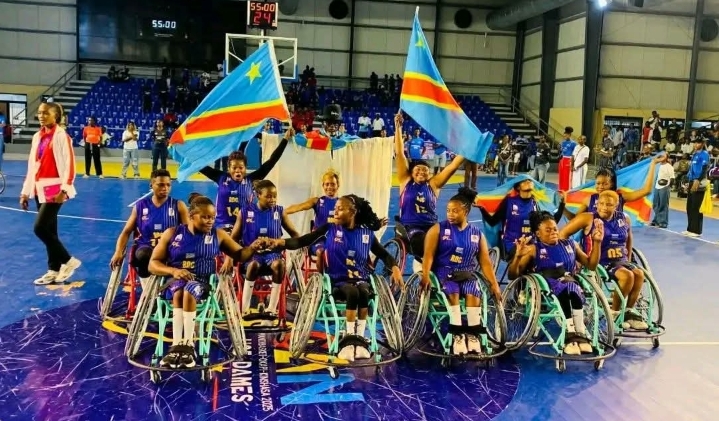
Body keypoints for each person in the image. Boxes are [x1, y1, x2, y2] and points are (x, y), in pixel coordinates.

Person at [268, 194, 404, 362]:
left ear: (352, 212)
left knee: (363, 291)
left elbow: (384, 254)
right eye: (335, 209)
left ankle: (360, 338)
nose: (335, 212)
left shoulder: (366, 234)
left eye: (340, 209)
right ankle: (348, 338)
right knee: (353, 292)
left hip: (361, 279)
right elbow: (302, 241)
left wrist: (395, 268)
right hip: (337, 281)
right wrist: (280, 243)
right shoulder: (329, 229)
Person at [148, 195, 268, 368]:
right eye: (205, 217)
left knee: (189, 289)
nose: (210, 221)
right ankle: (176, 346)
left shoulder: (218, 235)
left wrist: (252, 248)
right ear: (191, 216)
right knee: (179, 292)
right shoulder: (172, 233)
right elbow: (153, 264)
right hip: (175, 280)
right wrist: (173, 271)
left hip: (201, 282)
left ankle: (188, 345)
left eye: (212, 217)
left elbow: (240, 255)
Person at [509, 211, 604, 355]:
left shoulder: (571, 245)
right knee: (566, 290)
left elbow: (591, 265)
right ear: (538, 234)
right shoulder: (534, 249)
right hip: (548, 285)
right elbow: (513, 275)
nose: (553, 232)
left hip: (569, 282)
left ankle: (579, 332)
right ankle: (570, 334)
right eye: (548, 230)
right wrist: (517, 257)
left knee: (572, 289)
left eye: (555, 229)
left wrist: (597, 242)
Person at [421, 188, 502, 356]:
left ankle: (473, 335)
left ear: (466, 212)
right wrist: (426, 275)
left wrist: (494, 284)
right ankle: (457, 335)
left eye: (455, 211)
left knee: (474, 291)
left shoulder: (477, 234)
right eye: (448, 210)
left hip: (466, 274)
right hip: (444, 273)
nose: (450, 214)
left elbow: (485, 262)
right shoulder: (437, 229)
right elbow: (428, 256)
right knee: (453, 291)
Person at [559, 190, 648, 330]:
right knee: (627, 276)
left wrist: (629, 257)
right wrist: (573, 254)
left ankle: (628, 312)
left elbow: (629, 238)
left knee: (639, 274)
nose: (604, 207)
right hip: (600, 261)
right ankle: (614, 312)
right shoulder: (588, 218)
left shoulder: (624, 218)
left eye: (609, 205)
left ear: (616, 206)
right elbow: (563, 233)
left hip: (620, 259)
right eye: (601, 203)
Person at [394, 113, 465, 271]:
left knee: (453, 244)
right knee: (424, 243)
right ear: (411, 173)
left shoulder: (433, 185)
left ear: (430, 173)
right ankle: (421, 268)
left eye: (425, 170)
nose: (421, 172)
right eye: (418, 169)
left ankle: (445, 273)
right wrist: (398, 127)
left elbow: (452, 166)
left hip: (431, 226)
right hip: (412, 227)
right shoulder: (405, 181)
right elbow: (399, 153)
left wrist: (466, 150)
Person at [20, 102, 82, 285]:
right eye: (40, 113)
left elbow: (70, 165)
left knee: (39, 228)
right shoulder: (37, 136)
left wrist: (65, 189)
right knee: (50, 231)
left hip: (55, 190)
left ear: (56, 116)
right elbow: (32, 166)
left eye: (46, 113)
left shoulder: (62, 136)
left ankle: (69, 261)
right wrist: (25, 192)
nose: (41, 116)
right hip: (40, 188)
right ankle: (53, 270)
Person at [199, 128, 293, 232]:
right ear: (229, 168)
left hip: (244, 229)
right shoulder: (221, 177)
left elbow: (272, 161)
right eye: (234, 168)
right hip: (222, 228)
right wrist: (185, 149)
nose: (237, 171)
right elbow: (198, 165)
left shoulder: (251, 180)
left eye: (241, 168)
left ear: (245, 168)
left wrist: (285, 139)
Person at [109, 170, 189, 287]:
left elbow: (189, 232)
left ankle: (170, 285)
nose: (165, 188)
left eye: (168, 185)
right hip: (147, 248)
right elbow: (126, 232)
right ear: (151, 185)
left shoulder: (178, 205)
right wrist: (118, 252)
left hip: (170, 249)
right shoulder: (140, 206)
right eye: (161, 185)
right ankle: (147, 288)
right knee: (144, 254)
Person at [231, 180, 300, 315]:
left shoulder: (279, 211)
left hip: (272, 254)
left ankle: (271, 309)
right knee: (253, 265)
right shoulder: (245, 212)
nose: (272, 199)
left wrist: (279, 242)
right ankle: (244, 308)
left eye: (274, 196)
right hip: (252, 254)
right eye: (268, 196)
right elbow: (232, 239)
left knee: (279, 264)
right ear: (258, 195)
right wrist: (229, 259)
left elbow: (295, 235)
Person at [477, 179, 565, 258]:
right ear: (518, 187)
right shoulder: (509, 202)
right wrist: (481, 208)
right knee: (528, 255)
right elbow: (492, 221)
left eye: (530, 180)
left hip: (532, 244)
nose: (528, 181)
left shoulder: (535, 204)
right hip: (512, 244)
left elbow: (551, 223)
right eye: (524, 181)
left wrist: (562, 204)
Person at [563, 156, 660, 219]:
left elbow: (646, 190)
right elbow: (574, 219)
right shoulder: (589, 200)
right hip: (593, 243)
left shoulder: (620, 198)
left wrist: (653, 164)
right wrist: (562, 207)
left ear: (612, 184)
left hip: (615, 242)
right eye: (598, 183)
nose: (600, 187)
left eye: (605, 184)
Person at [284, 169, 340, 266]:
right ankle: (322, 275)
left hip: (336, 239)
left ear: (337, 185)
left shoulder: (342, 203)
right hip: (318, 240)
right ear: (323, 186)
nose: (329, 187)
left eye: (332, 184)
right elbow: (299, 207)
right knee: (320, 252)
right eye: (327, 184)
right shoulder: (317, 201)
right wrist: (282, 212)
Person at [685, 138, 710, 237]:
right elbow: (691, 169)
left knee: (696, 206)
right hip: (692, 181)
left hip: (698, 182)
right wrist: (688, 180)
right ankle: (690, 229)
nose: (695, 144)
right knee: (689, 206)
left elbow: (704, 168)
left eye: (698, 143)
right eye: (695, 142)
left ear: (702, 144)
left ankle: (696, 231)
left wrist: (698, 180)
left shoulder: (704, 154)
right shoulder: (694, 154)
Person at [651, 154, 675, 229]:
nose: (661, 157)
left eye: (663, 156)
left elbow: (672, 178)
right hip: (656, 186)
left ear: (666, 157)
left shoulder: (669, 166)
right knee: (655, 204)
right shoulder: (657, 166)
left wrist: (668, 187)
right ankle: (656, 220)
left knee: (663, 205)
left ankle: (663, 222)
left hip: (664, 187)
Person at [558, 127, 576, 191]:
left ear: (570, 135)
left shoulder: (573, 143)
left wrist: (573, 164)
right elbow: (561, 152)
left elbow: (574, 154)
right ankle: (561, 188)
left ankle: (567, 189)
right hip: (562, 160)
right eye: (564, 135)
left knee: (567, 176)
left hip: (569, 160)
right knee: (561, 175)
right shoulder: (562, 143)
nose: (565, 137)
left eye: (566, 135)